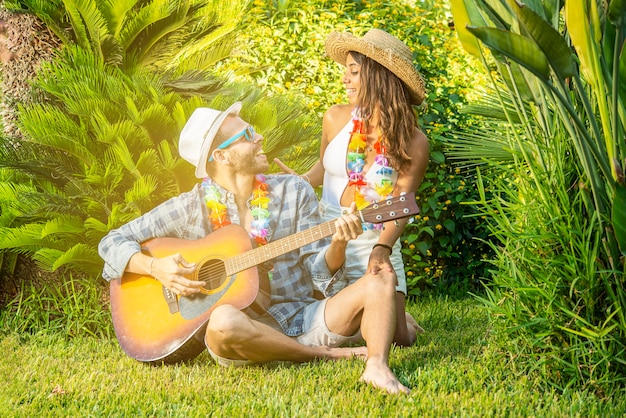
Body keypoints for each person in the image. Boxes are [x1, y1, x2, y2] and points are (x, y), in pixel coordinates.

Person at [99, 101, 413, 394]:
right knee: (222, 322)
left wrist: (338, 243)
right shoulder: (189, 207)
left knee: (381, 276)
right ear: (220, 156)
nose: (259, 137)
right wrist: (157, 268)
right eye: (248, 135)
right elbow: (111, 242)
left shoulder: (294, 190)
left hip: (306, 315)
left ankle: (375, 365)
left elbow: (319, 274)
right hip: (244, 332)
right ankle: (328, 355)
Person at [275, 29, 429, 347]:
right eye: (345, 71)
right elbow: (322, 169)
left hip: (372, 237)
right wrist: (299, 182)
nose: (345, 79)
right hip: (324, 234)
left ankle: (403, 320)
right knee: (335, 319)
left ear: (378, 76)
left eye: (354, 71)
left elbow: (402, 204)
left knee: (400, 338)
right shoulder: (335, 118)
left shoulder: (413, 141)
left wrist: (381, 249)